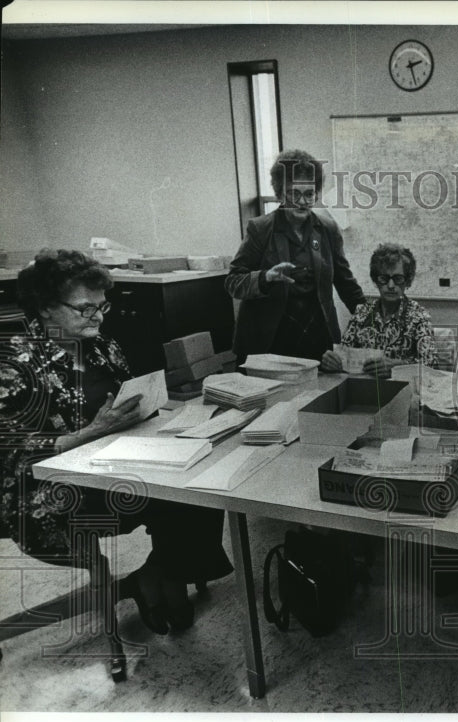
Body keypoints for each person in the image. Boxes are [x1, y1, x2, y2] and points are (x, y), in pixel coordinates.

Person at [0, 250, 233, 659]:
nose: (99, 317)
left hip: (111, 461)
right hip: (42, 491)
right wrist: (92, 432)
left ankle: (161, 571)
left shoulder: (101, 346)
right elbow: (13, 453)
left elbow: (126, 401)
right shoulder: (14, 364)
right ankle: (165, 574)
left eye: (102, 306)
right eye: (85, 308)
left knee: (201, 477)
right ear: (45, 308)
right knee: (170, 496)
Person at [225, 148, 365, 362]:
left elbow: (345, 282)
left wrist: (371, 318)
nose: (302, 201)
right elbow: (233, 282)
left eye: (309, 194)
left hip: (316, 339)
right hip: (269, 342)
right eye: (294, 194)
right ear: (280, 194)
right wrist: (265, 277)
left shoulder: (327, 228)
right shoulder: (260, 229)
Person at [320, 243, 435, 378]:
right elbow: (345, 353)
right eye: (384, 279)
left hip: (402, 391)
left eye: (398, 279)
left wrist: (397, 366)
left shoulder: (419, 317)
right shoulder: (361, 313)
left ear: (408, 281)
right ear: (376, 280)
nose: (391, 286)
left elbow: (430, 366)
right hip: (362, 389)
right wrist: (333, 362)